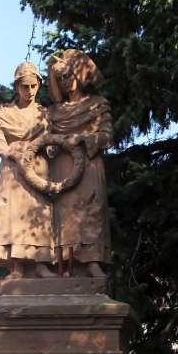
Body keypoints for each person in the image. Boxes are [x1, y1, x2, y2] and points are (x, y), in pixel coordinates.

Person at [47, 50, 113, 276]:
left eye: (68, 76)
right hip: (61, 168)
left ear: (78, 74)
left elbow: (107, 137)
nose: (65, 82)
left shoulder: (98, 104)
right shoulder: (53, 112)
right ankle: (64, 264)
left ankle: (93, 262)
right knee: (63, 216)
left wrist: (83, 138)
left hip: (89, 165)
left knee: (90, 211)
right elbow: (43, 141)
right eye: (60, 78)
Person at [0, 62, 55, 279]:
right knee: (14, 216)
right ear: (17, 87)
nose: (30, 91)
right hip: (13, 171)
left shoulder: (44, 114)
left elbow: (53, 144)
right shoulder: (4, 113)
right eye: (25, 86)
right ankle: (17, 266)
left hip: (38, 168)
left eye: (34, 86)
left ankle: (41, 264)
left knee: (40, 212)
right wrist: (12, 153)